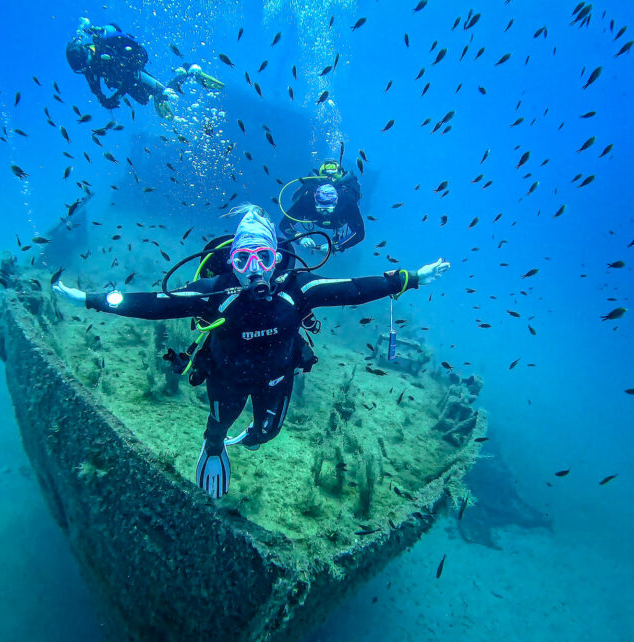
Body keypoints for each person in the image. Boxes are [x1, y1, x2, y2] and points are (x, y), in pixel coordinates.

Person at [53, 204, 449, 498]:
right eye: (243, 258)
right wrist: (90, 299)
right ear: (231, 260)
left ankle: (249, 436)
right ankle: (214, 447)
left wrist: (408, 278)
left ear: (277, 259)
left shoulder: (298, 289)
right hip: (228, 379)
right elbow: (154, 303)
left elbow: (356, 288)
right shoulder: (213, 294)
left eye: (264, 257)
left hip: (277, 378)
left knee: (266, 434)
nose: (254, 269)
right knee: (218, 427)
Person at [65, 18, 223, 119]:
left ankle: (190, 71)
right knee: (143, 100)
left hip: (133, 67)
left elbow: (128, 73)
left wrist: (116, 96)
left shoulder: (104, 46)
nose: (88, 68)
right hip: (123, 78)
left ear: (86, 52)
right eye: (84, 68)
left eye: (86, 63)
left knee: (164, 93)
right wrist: (105, 100)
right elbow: (96, 89)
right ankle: (158, 94)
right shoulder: (88, 67)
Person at [279, 159, 365, 253]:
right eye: (321, 207)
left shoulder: (347, 202)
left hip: (338, 219)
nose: (325, 212)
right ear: (315, 200)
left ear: (336, 202)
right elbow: (284, 224)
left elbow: (359, 233)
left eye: (328, 208)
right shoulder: (307, 200)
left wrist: (336, 246)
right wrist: (300, 239)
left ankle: (337, 231)